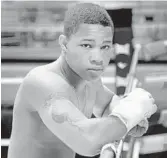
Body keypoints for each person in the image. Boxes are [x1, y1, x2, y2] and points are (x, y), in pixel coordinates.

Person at [8, 3, 157, 158]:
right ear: (64, 44)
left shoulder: (88, 79)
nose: (97, 58)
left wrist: (130, 114)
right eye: (87, 45)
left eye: (105, 47)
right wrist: (129, 115)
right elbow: (87, 141)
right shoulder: (42, 83)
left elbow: (107, 104)